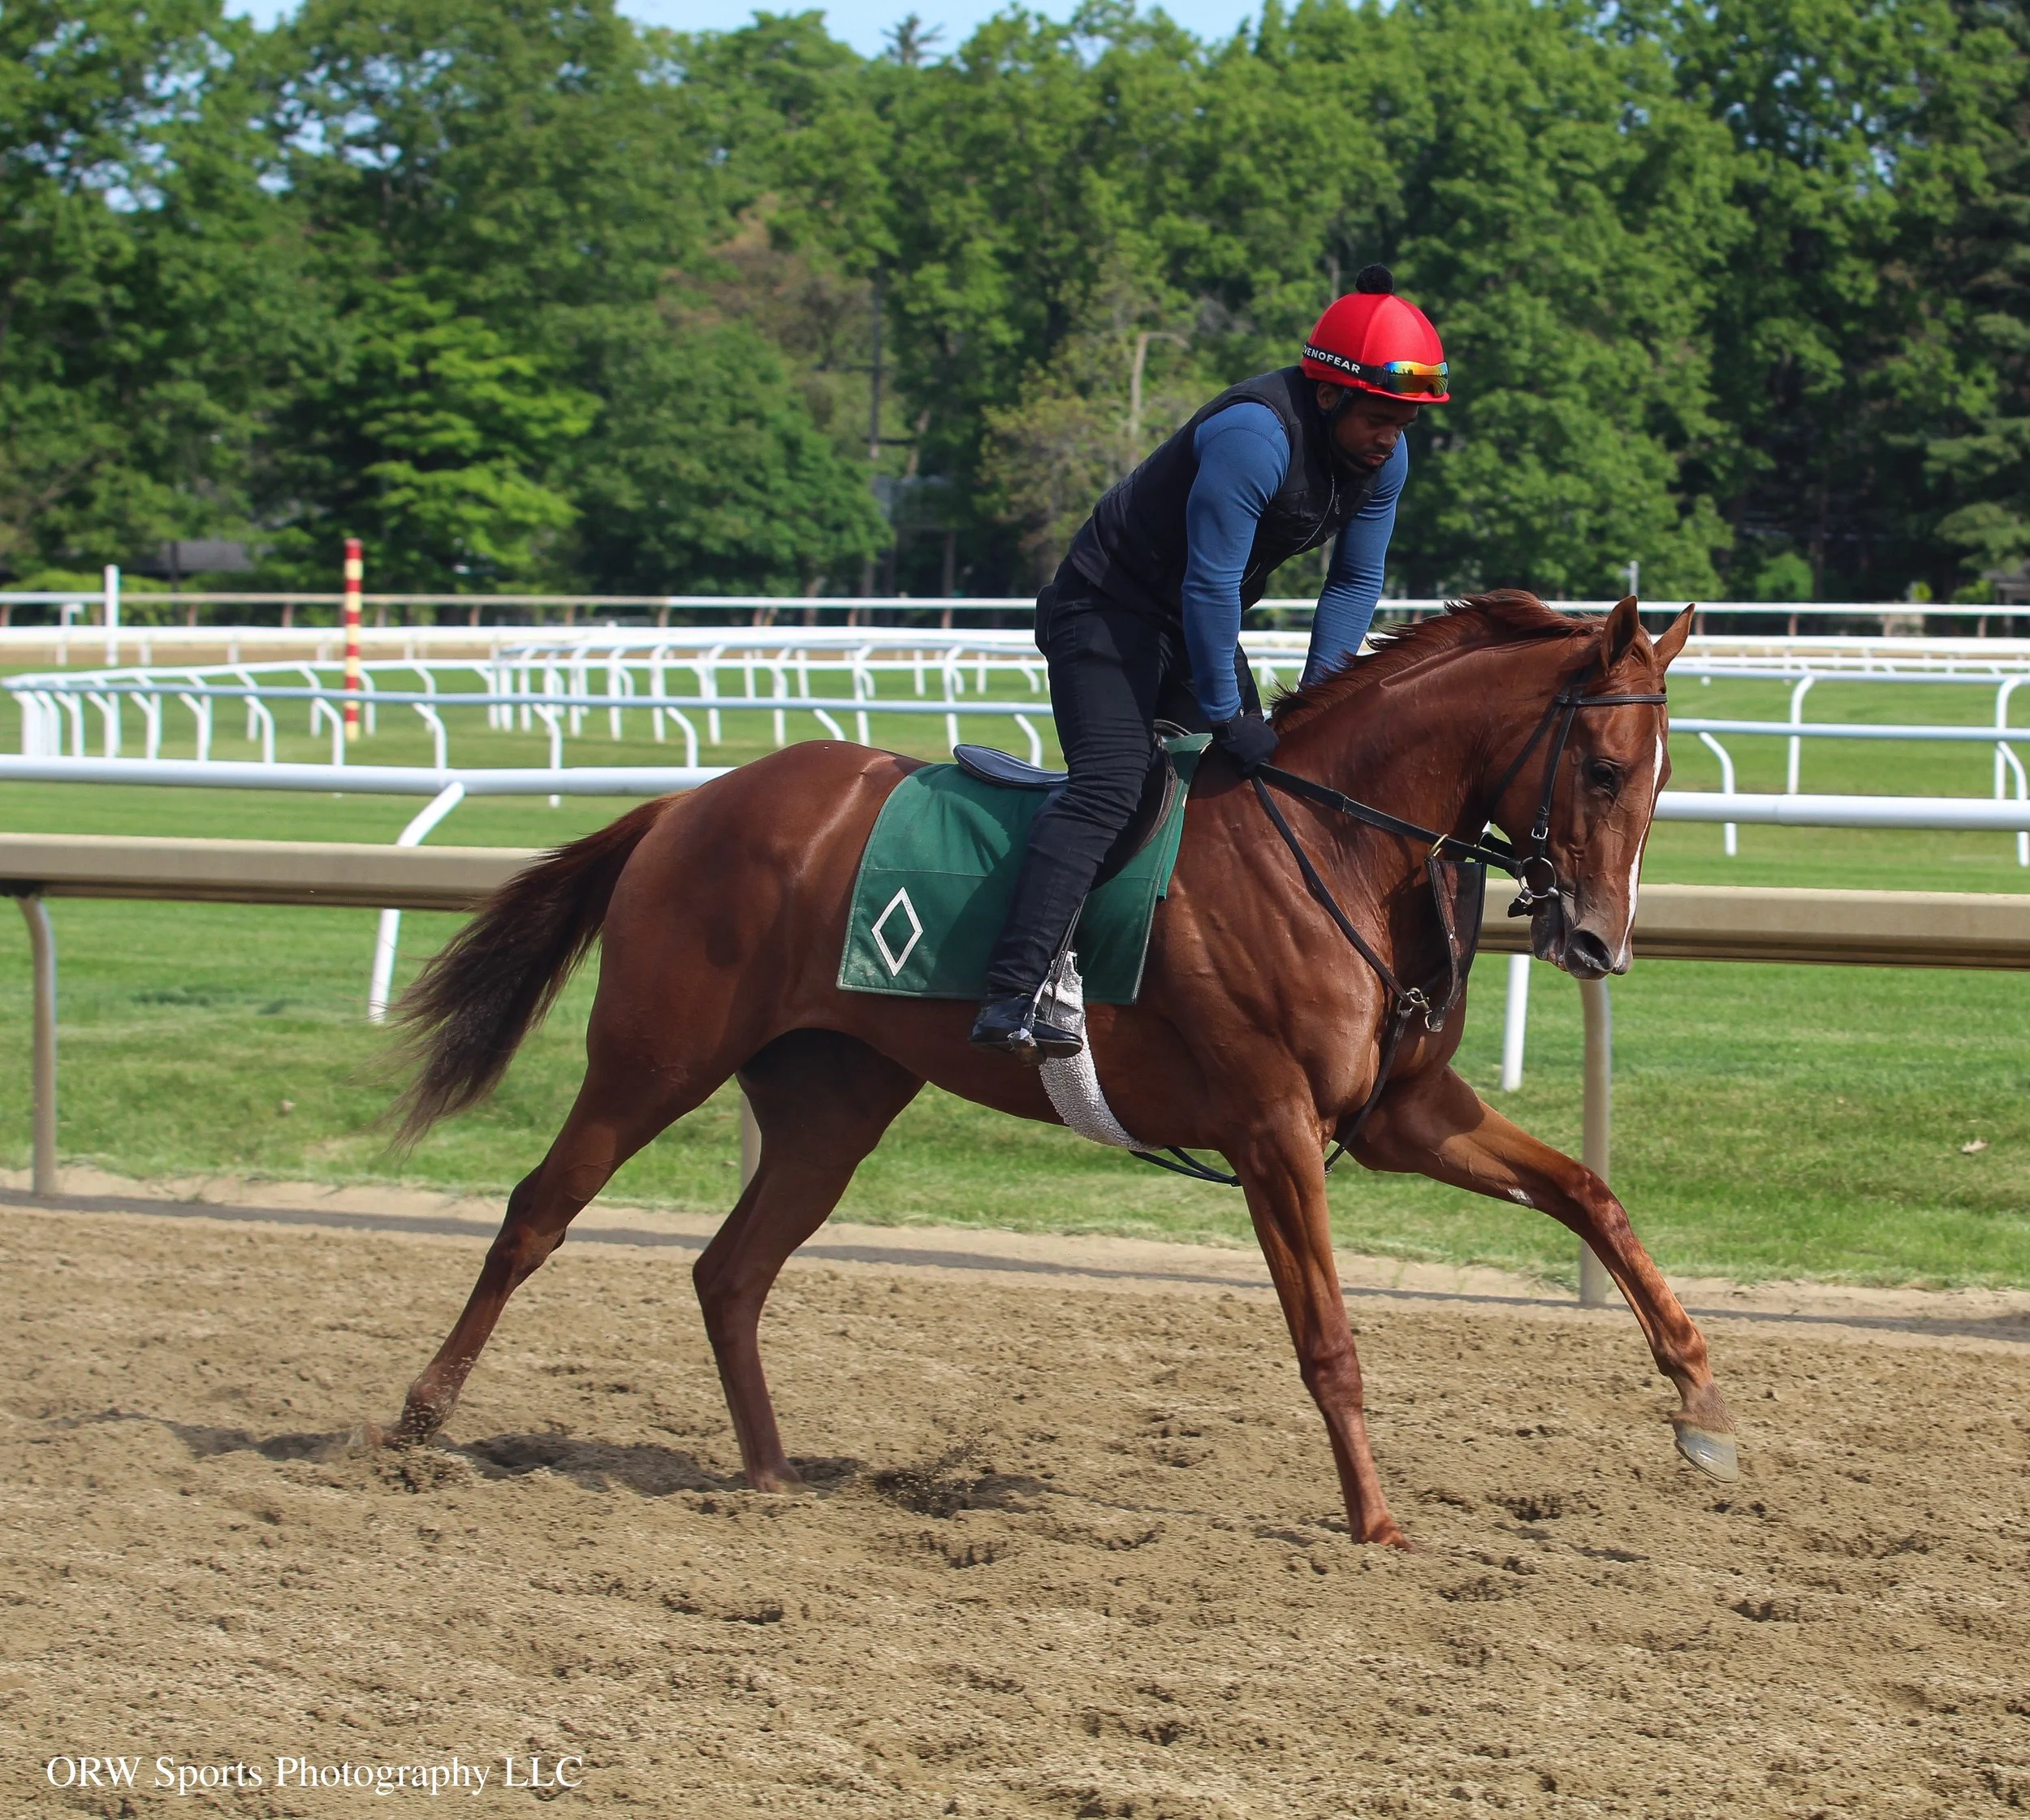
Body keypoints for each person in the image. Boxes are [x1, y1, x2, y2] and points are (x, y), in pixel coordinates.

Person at [970, 264, 1451, 1059]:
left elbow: (1356, 581)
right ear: (1327, 393)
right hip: (1104, 612)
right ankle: (1014, 987)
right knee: (1114, 784)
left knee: (1268, 789)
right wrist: (1229, 714)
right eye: (1379, 416)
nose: (1389, 440)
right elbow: (1211, 580)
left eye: (1404, 423)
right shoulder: (1253, 435)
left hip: (1193, 619)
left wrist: (1320, 703)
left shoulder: (1380, 463)